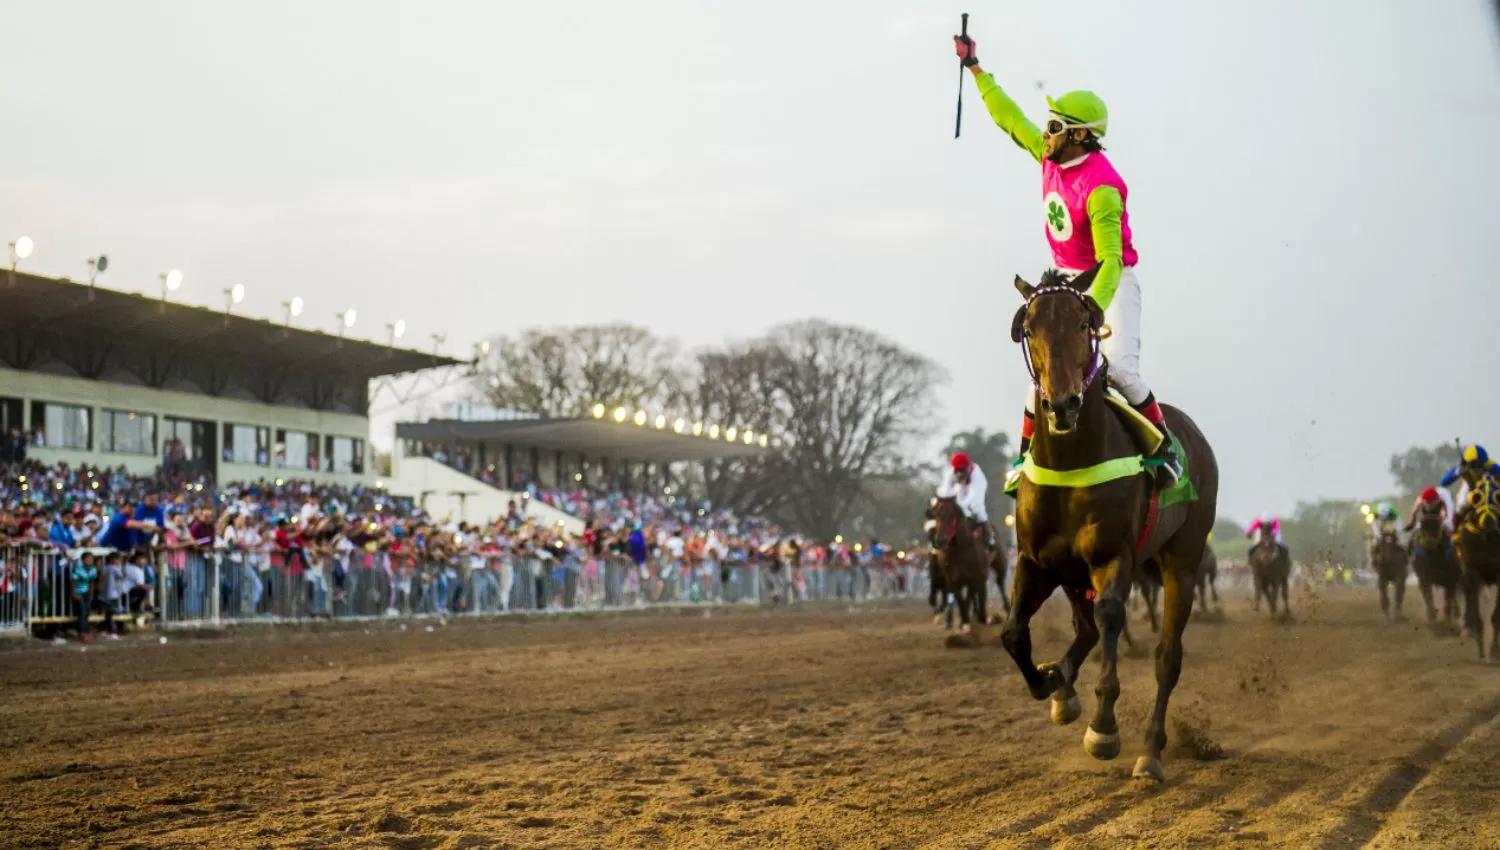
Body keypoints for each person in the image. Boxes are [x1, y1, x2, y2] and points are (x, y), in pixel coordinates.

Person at [952, 32, 1181, 492]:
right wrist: (976, 68)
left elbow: (1112, 261)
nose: (1046, 132)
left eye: (1055, 126)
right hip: (1064, 283)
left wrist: (1092, 305)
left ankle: (1164, 451)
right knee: (1046, 370)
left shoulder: (1102, 186)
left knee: (1119, 369)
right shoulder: (1050, 156)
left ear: (1079, 135)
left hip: (1108, 282)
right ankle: (1024, 460)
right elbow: (1010, 119)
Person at [936, 452, 994, 547]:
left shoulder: (977, 476)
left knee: (977, 509)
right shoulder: (950, 473)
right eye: (957, 470)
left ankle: (988, 535)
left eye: (962, 470)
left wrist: (962, 508)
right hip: (961, 486)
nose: (959, 474)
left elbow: (973, 499)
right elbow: (945, 490)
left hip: (975, 488)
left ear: (967, 466)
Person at [1442, 444, 1500, 529]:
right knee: (1463, 503)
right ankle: (1454, 530)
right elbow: (1444, 482)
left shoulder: (1491, 464)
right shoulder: (1460, 468)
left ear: (1485, 462)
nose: (1477, 470)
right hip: (1470, 488)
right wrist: (1457, 473)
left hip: (1488, 487)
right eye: (1473, 465)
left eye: (1480, 465)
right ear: (1467, 464)